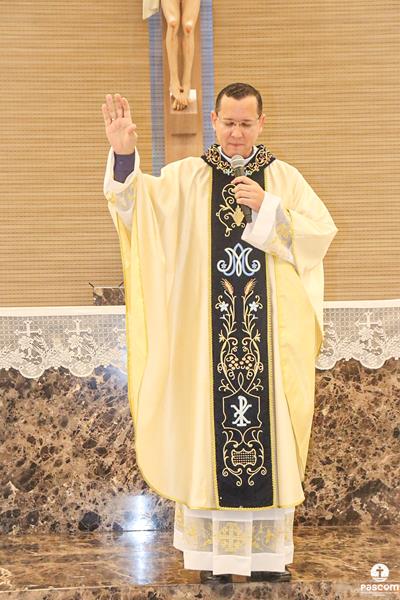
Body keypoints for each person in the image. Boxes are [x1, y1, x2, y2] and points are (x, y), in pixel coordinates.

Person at [102, 83, 338, 582]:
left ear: (261, 123)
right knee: (207, 441)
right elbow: (137, 209)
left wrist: (269, 209)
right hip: (209, 349)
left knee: (270, 440)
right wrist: (124, 156)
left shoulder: (284, 179)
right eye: (228, 122)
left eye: (246, 124)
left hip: (268, 351)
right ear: (213, 120)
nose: (236, 133)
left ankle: (267, 559)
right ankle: (213, 560)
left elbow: (319, 234)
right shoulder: (188, 178)